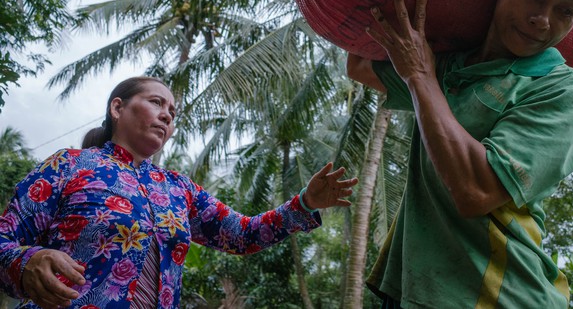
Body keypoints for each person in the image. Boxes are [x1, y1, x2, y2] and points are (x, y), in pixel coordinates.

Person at [347, 0, 573, 308]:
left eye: (566, 10)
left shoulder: (565, 90)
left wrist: (420, 77)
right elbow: (358, 64)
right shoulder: (447, 65)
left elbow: (476, 191)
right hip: (411, 290)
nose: (543, 19)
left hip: (501, 297)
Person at [0, 76, 358, 308]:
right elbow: (3, 242)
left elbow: (242, 235)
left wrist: (305, 203)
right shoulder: (70, 165)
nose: (167, 116)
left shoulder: (178, 189)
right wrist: (26, 262)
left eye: (173, 111)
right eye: (156, 103)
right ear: (117, 108)